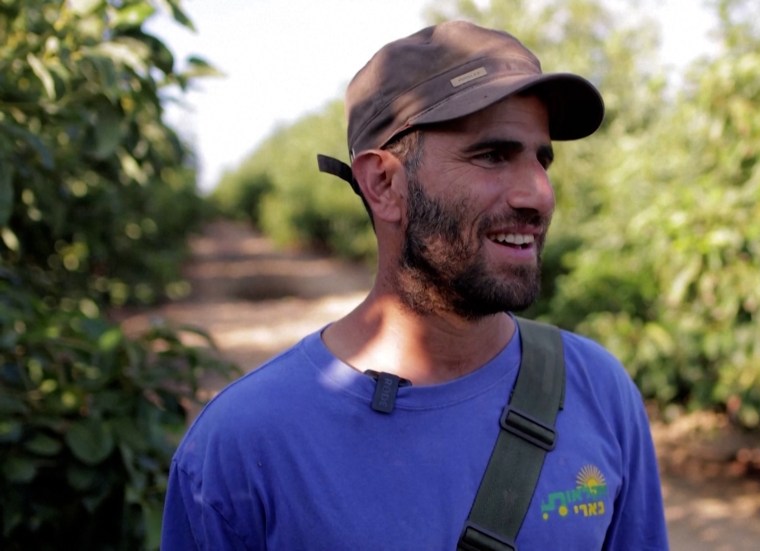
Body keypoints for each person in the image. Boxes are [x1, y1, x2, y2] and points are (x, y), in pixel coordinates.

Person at [162, 20, 669, 550]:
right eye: (493, 155)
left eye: (541, 158)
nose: (538, 194)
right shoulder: (244, 442)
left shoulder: (598, 393)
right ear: (383, 184)